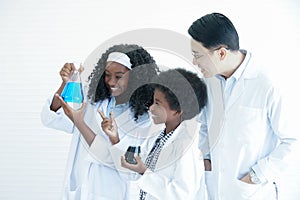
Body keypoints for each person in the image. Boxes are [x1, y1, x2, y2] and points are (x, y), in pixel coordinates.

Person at [188, 12, 298, 200]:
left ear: (221, 53)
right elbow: (206, 125)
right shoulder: (209, 82)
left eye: (197, 55)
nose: (194, 62)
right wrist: (207, 161)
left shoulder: (267, 83)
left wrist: (256, 176)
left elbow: (293, 141)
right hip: (216, 190)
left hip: (252, 192)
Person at [40, 44, 159, 200]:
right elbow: (51, 118)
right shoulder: (92, 99)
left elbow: (130, 169)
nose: (111, 81)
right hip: (79, 183)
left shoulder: (142, 118)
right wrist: (66, 84)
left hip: (110, 191)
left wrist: (113, 138)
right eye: (107, 74)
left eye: (119, 76)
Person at [78, 68, 208, 199]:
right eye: (152, 102)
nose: (151, 108)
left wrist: (143, 171)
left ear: (178, 110)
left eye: (157, 103)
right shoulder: (159, 139)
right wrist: (114, 137)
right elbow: (132, 170)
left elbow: (182, 194)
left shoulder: (187, 147)